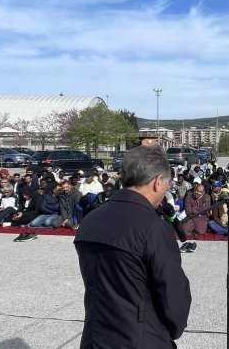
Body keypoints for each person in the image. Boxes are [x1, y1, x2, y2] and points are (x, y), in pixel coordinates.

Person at [74, 146, 190, 348]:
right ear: (156, 182)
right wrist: (173, 328)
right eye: (166, 184)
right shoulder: (153, 227)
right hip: (140, 339)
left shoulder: (90, 220)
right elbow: (173, 295)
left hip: (95, 337)